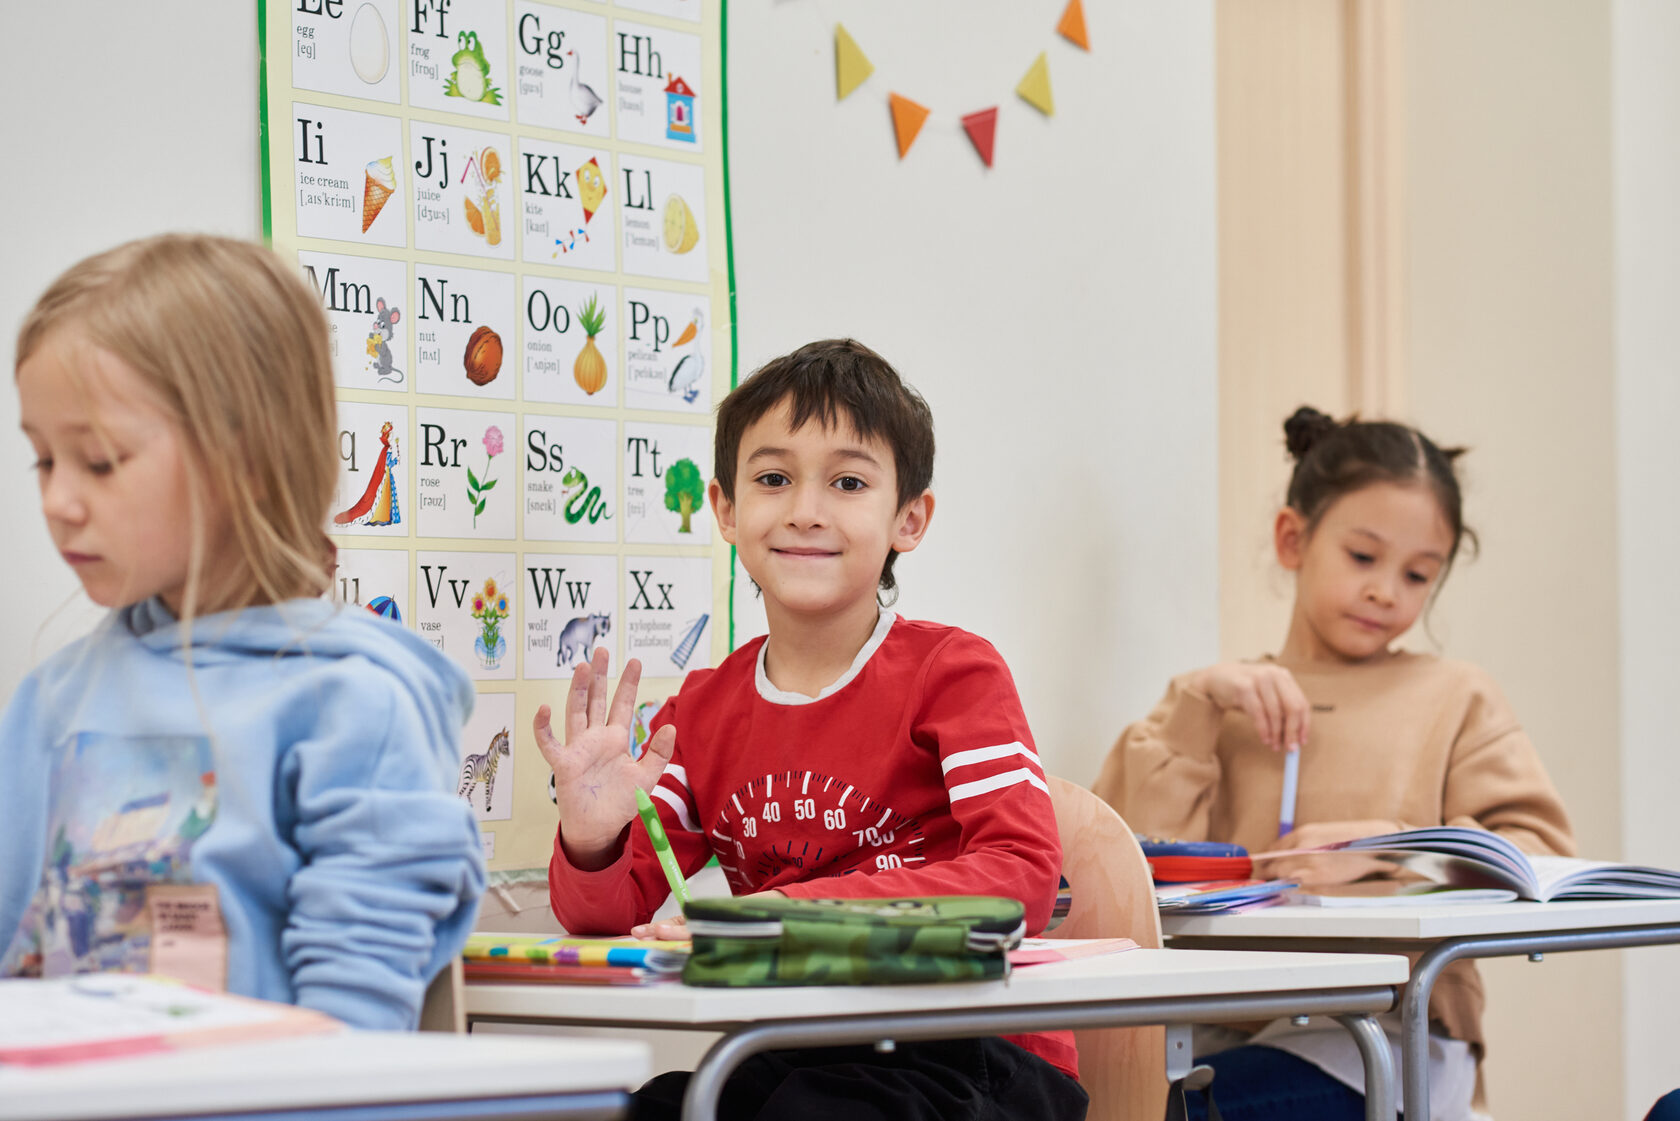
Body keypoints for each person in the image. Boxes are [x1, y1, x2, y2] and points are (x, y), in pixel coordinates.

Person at [538, 338, 1087, 1121]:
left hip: (977, 1048)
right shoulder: (704, 707)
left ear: (909, 517)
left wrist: (791, 912)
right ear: (727, 510)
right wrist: (593, 839)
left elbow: (1022, 874)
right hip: (804, 1044)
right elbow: (613, 909)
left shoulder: (954, 674)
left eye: (849, 482)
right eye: (772, 479)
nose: (805, 509)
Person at [0, 234, 485, 1029]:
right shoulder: (47, 704)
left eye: (99, 459)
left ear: (247, 459)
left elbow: (352, 1037)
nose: (57, 499)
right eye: (43, 461)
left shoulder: (356, 704)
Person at [1094, 406, 1575, 1121]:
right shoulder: (1219, 703)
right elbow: (1122, 867)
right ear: (1293, 538)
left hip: (1387, 1030)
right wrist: (1196, 704)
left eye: (1418, 574)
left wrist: (1389, 856)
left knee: (1181, 1112)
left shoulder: (1455, 695)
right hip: (1222, 1024)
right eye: (1363, 557)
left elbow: (1542, 856)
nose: (1387, 590)